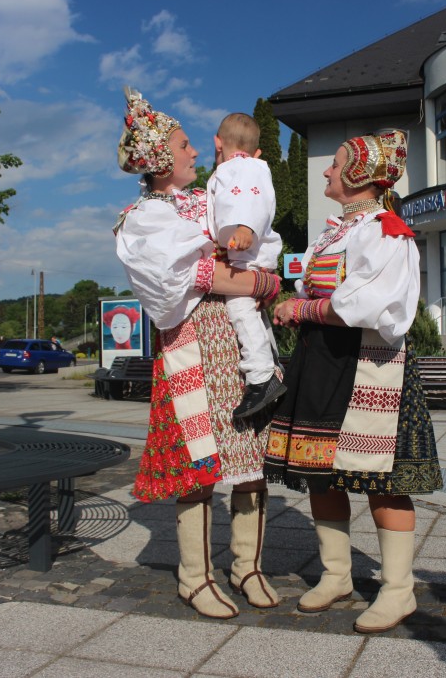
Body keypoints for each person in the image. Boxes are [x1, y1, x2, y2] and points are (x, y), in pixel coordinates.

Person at [113, 87, 283, 620]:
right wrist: (254, 281)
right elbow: (188, 280)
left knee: (250, 453)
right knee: (200, 460)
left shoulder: (210, 199)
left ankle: (247, 566)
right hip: (192, 344)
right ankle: (195, 576)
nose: (195, 152)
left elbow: (250, 245)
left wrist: (251, 275)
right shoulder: (143, 218)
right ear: (160, 158)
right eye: (184, 145)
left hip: (238, 340)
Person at [266, 129, 442, 634]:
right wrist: (296, 305)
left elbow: (366, 304)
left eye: (335, 162)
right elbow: (321, 290)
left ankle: (398, 589)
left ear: (360, 174)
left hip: (369, 364)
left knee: (383, 482)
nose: (326, 170)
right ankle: (337, 574)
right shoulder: (336, 231)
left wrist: (302, 309)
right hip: (322, 358)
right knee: (320, 471)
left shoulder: (386, 231)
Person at [205, 113, 285, 419]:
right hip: (245, 255)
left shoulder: (244, 167)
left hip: (247, 254)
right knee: (250, 313)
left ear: (217, 142)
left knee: (241, 310)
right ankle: (268, 365)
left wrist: (245, 228)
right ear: (257, 150)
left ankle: (261, 376)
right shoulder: (241, 167)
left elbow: (253, 201)